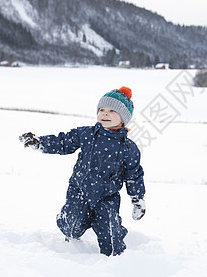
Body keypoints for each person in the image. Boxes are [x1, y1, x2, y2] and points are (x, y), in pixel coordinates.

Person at [19, 86, 146, 256]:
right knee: (71, 227)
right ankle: (68, 221)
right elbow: (63, 142)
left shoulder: (128, 148)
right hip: (79, 191)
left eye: (111, 111)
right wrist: (40, 142)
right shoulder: (86, 134)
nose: (105, 114)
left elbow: (134, 174)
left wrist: (137, 198)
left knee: (111, 239)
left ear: (123, 118)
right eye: (101, 109)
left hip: (107, 197)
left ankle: (116, 262)